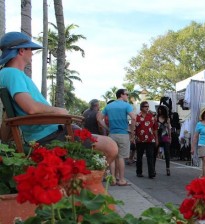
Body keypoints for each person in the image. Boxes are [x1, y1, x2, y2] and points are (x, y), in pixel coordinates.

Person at [0, 31, 118, 163]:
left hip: (54, 130)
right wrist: (59, 111)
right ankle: (84, 181)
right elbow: (31, 108)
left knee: (107, 145)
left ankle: (82, 180)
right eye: (30, 49)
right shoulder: (12, 73)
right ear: (21, 50)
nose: (32, 53)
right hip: (49, 136)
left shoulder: (10, 74)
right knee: (110, 146)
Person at [98, 88, 136, 186]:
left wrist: (107, 128)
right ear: (121, 95)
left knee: (112, 157)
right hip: (123, 134)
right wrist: (132, 131)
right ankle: (121, 179)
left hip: (112, 134)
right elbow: (134, 118)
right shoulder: (127, 105)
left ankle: (113, 179)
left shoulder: (109, 106)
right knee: (121, 157)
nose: (127, 96)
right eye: (126, 94)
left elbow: (99, 119)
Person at [134, 101, 158, 178]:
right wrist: (132, 138)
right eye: (145, 106)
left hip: (150, 139)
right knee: (139, 156)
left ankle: (151, 173)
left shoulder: (151, 117)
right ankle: (139, 172)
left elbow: (155, 129)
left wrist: (156, 139)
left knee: (150, 156)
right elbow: (134, 128)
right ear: (141, 107)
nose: (147, 107)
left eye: (148, 106)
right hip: (139, 139)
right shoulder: (136, 117)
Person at [154, 105, 171, 176]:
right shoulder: (156, 118)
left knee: (167, 153)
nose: (159, 111)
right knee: (154, 153)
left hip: (165, 136)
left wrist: (170, 137)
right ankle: (153, 169)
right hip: (157, 136)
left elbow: (169, 128)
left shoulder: (167, 119)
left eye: (161, 109)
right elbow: (154, 128)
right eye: (159, 109)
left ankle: (168, 168)